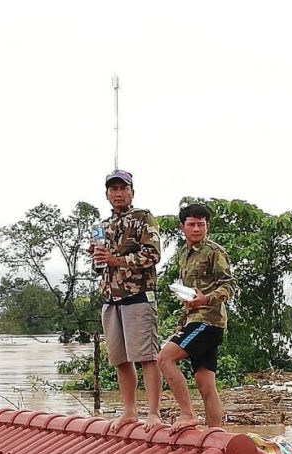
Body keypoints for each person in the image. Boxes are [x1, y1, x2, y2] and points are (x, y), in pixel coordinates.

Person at [92, 169, 162, 431]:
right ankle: (129, 411)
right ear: (107, 194)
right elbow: (98, 267)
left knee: (146, 356)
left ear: (132, 191)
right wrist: (97, 257)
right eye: (113, 189)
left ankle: (153, 413)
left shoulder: (144, 218)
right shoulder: (102, 226)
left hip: (138, 296)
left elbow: (152, 256)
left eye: (123, 188)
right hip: (110, 298)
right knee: (120, 359)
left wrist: (116, 260)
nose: (118, 193)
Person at [157, 203, 235, 432]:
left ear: (207, 226)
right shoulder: (183, 254)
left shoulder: (214, 251)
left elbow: (229, 285)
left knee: (165, 359)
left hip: (208, 321)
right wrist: (185, 313)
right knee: (205, 384)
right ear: (183, 227)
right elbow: (189, 292)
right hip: (194, 320)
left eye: (201, 224)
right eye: (191, 224)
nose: (197, 228)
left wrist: (205, 299)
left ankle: (188, 414)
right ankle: (215, 433)